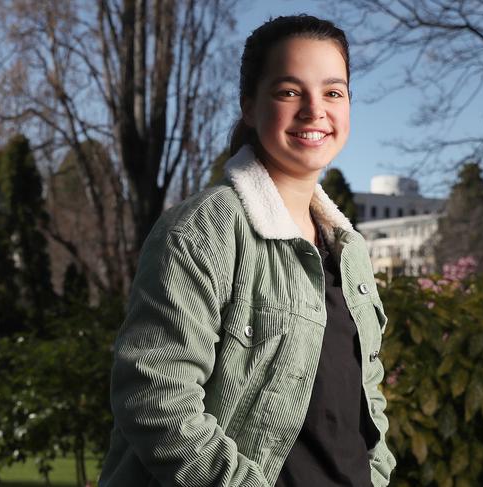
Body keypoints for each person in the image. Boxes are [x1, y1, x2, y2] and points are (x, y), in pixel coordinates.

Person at [99, 14, 396, 487]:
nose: (315, 109)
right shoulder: (206, 228)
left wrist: (377, 475)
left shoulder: (349, 248)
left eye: (333, 92)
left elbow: (366, 398)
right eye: (289, 91)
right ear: (250, 106)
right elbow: (156, 395)